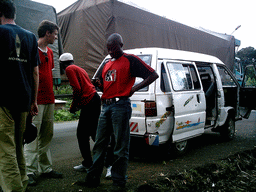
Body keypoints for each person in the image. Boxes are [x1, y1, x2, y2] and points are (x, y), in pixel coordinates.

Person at [81, 33, 159, 189]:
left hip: (121, 106)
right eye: (108, 48)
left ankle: (119, 182)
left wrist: (134, 89)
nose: (110, 51)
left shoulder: (130, 60)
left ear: (121, 45)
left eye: (114, 48)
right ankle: (93, 178)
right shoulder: (107, 63)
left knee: (120, 145)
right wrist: (99, 84)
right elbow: (106, 86)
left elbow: (153, 75)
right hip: (106, 106)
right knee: (100, 143)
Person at [0, 1, 39, 191]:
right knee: (17, 148)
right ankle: (22, 183)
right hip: (23, 100)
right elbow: (35, 73)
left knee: (5, 150)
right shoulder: (31, 37)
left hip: (3, 101)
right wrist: (34, 100)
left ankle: (13, 189)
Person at [24, 20, 62, 186]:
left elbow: (48, 74)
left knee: (47, 135)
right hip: (36, 101)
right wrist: (32, 100)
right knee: (32, 136)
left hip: (49, 99)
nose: (55, 37)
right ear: (47, 33)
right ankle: (29, 170)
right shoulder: (32, 49)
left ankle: (46, 168)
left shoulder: (51, 52)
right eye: (54, 33)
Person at [59, 53, 101, 172]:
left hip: (90, 102)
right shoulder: (79, 68)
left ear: (63, 63)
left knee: (82, 134)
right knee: (93, 132)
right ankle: (107, 159)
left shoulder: (69, 69)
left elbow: (77, 88)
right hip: (94, 100)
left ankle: (88, 163)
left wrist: (73, 106)